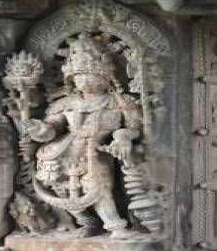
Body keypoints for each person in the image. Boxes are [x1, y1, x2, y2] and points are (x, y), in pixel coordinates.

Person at [22, 34, 142, 238]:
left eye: (91, 76)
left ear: (106, 77)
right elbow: (53, 127)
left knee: (100, 187)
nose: (85, 81)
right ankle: (87, 222)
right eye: (79, 76)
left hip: (99, 150)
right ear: (71, 79)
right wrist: (39, 129)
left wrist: (123, 136)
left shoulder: (121, 101)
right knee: (63, 189)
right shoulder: (65, 103)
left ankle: (116, 226)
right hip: (64, 151)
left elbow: (135, 127)